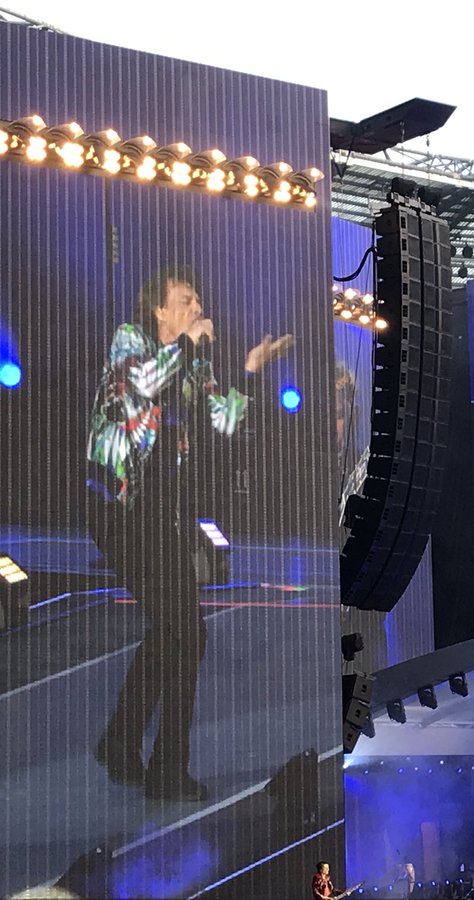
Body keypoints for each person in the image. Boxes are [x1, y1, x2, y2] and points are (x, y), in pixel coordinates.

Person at [87, 265, 293, 802]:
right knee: (183, 632)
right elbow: (142, 384)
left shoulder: (191, 360)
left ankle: (124, 744)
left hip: (163, 515)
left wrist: (249, 371)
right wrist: (190, 345)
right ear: (159, 309)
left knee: (180, 632)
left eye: (198, 301)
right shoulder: (131, 341)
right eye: (185, 300)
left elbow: (224, 424)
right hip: (118, 506)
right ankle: (161, 766)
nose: (197, 308)